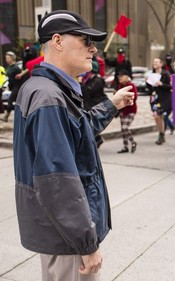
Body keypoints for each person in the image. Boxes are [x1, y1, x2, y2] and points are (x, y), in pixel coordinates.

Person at [13, 10, 134, 281]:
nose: (93, 49)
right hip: (67, 235)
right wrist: (86, 243)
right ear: (57, 41)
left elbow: (76, 134)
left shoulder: (49, 89)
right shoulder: (49, 95)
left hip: (62, 230)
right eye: (85, 40)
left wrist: (110, 105)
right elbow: (58, 180)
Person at [81, 61, 107, 148]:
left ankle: (97, 140)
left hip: (95, 105)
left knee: (91, 124)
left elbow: (87, 92)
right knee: (90, 124)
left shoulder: (97, 80)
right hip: (89, 106)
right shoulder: (89, 80)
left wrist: (81, 84)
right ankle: (97, 140)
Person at [148, 57, 172, 145]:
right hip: (155, 98)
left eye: (157, 62)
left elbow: (170, 87)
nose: (155, 63)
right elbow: (149, 88)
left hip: (164, 98)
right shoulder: (152, 74)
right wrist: (147, 82)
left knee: (159, 115)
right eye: (154, 62)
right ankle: (161, 133)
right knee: (156, 116)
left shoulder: (165, 73)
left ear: (161, 64)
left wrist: (161, 84)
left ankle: (161, 135)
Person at [117, 69, 138, 153]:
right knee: (123, 129)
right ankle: (125, 146)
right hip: (123, 110)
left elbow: (135, 97)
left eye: (121, 76)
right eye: (119, 76)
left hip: (131, 110)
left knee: (125, 127)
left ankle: (133, 142)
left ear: (126, 76)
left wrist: (126, 98)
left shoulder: (131, 85)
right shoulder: (120, 86)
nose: (120, 78)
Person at [0, 51, 22, 122]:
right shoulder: (8, 67)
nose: (7, 59)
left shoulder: (16, 68)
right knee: (18, 102)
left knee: (10, 100)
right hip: (12, 86)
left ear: (13, 58)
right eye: (6, 58)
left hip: (17, 86)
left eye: (8, 58)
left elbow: (21, 76)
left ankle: (6, 116)